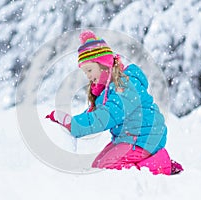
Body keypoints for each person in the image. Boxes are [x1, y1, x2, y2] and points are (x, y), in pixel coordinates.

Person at [46, 30, 183, 175]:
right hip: (127, 139)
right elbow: (94, 115)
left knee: (108, 171)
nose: (88, 75)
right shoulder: (107, 91)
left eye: (90, 69)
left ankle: (159, 163)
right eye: (85, 72)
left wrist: (74, 125)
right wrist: (72, 121)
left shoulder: (125, 86)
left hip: (144, 139)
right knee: (98, 165)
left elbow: (104, 117)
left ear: (104, 65)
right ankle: (149, 162)